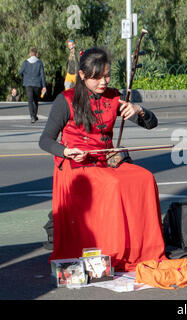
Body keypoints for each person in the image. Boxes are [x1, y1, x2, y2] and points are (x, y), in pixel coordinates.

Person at [38, 47, 166, 271]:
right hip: (76, 166)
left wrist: (139, 110)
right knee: (113, 184)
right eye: (97, 77)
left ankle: (141, 248)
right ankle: (113, 250)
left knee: (144, 178)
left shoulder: (114, 97)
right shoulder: (65, 100)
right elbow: (45, 140)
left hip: (105, 161)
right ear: (82, 75)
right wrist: (66, 151)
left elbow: (151, 124)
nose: (103, 82)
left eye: (107, 75)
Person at [19, 48, 46, 123]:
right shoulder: (39, 62)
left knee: (30, 100)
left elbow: (20, 72)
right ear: (36, 54)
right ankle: (34, 115)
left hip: (28, 84)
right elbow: (42, 75)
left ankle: (32, 117)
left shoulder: (25, 62)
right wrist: (44, 86)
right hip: (37, 84)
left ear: (30, 54)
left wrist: (24, 77)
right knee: (35, 100)